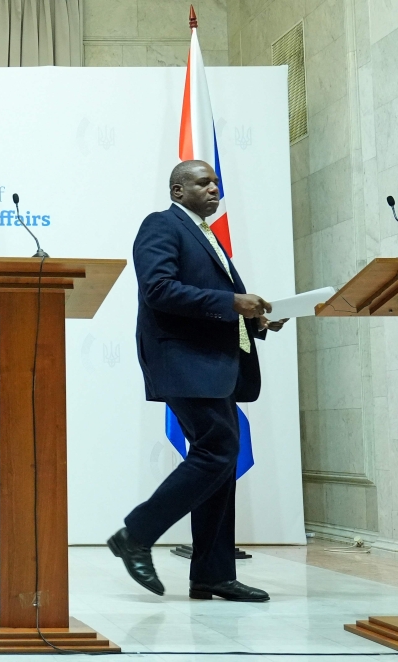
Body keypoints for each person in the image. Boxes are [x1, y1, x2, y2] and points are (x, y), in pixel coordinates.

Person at [107, 160, 287, 603]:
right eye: (203, 182)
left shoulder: (208, 236)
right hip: (184, 362)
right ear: (177, 190)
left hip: (213, 365)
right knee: (219, 449)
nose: (214, 188)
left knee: (221, 464)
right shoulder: (161, 226)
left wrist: (257, 320)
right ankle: (136, 533)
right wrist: (231, 302)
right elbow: (159, 289)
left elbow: (214, 302)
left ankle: (212, 574)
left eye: (217, 182)